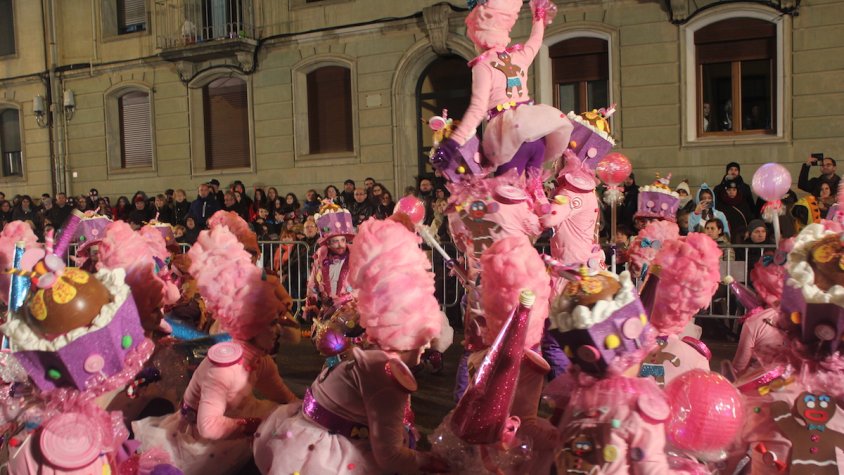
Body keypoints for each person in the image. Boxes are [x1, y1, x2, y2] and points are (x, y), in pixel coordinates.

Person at [253, 218, 449, 474]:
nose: (423, 352)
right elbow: (390, 456)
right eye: (423, 345)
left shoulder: (374, 335)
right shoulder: (385, 370)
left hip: (323, 416)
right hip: (329, 452)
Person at [132, 223, 298, 475]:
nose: (278, 331)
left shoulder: (261, 360)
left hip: (234, 418)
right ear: (252, 326)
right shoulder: (226, 368)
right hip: (200, 441)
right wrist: (257, 424)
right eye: (271, 323)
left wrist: (307, 415)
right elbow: (208, 427)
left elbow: (285, 398)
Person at [434, 0, 572, 179]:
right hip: (536, 137)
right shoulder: (519, 56)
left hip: (510, 140)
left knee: (504, 200)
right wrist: (539, 14)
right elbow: (536, 41)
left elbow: (477, 109)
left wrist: (452, 143)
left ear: (478, 36)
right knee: (531, 196)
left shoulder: (483, 66)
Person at [303, 204, 356, 322]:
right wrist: (310, 305)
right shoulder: (320, 260)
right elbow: (313, 284)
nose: (341, 244)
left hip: (351, 312)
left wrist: (344, 299)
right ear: (328, 243)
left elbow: (363, 287)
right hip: (327, 312)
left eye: (343, 240)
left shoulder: (356, 259)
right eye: (335, 241)